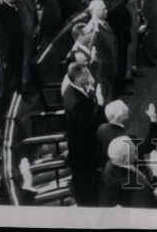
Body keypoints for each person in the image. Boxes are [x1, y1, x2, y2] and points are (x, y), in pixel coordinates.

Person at [63, 61, 105, 206]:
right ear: (77, 78)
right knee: (86, 182)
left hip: (80, 144)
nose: (89, 75)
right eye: (86, 74)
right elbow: (89, 125)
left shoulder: (72, 89)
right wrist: (99, 104)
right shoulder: (75, 101)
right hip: (82, 149)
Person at [96, 100, 157, 173]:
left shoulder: (102, 129)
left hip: (111, 171)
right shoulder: (128, 138)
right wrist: (153, 120)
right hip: (132, 173)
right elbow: (148, 146)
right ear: (123, 115)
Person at [101, 137, 157, 208]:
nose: (136, 149)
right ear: (125, 158)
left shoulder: (109, 164)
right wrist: (155, 169)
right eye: (134, 151)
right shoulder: (139, 185)